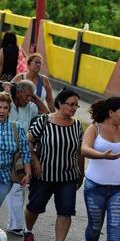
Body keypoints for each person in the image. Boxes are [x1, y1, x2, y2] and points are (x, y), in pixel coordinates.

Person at [24, 88, 85, 241]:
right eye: (70, 104)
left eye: (76, 105)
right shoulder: (44, 121)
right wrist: (35, 161)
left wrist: (81, 173)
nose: (73, 108)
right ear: (59, 103)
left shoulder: (77, 126)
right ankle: (28, 230)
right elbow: (28, 141)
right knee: (34, 207)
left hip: (68, 177)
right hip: (43, 175)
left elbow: (79, 151)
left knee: (66, 212)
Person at [4, 80, 49, 236]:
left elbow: (46, 114)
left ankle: (15, 225)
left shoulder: (31, 107)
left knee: (18, 188)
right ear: (17, 93)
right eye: (26, 95)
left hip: (22, 151)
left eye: (31, 96)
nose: (28, 99)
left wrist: (35, 97)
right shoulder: (7, 103)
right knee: (0, 187)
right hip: (4, 149)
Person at [81, 97, 120, 241]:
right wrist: (102, 155)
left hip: (118, 189)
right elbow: (84, 149)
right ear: (111, 112)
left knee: (116, 228)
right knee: (95, 227)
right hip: (95, 187)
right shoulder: (94, 128)